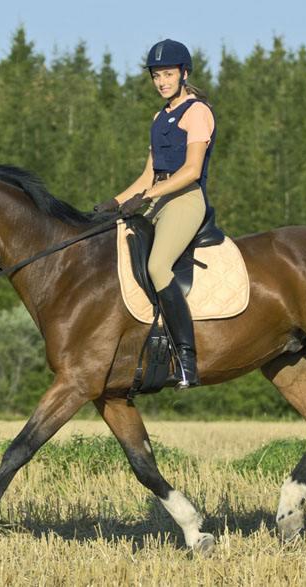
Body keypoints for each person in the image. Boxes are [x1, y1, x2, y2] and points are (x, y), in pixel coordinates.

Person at [94, 39, 216, 390]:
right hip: (159, 198)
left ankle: (187, 358)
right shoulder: (159, 117)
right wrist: (115, 202)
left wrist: (145, 196)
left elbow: (192, 170)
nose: (162, 82)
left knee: (157, 267)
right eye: (156, 76)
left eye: (167, 74)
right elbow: (149, 174)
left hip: (185, 200)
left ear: (183, 73)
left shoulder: (197, 112)